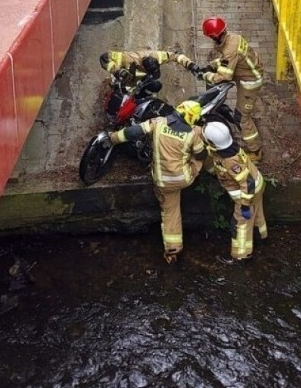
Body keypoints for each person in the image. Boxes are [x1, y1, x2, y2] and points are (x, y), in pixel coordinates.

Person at [109, 100, 205, 263]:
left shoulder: (158, 123)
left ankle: (172, 250)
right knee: (199, 158)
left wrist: (113, 138)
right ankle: (214, 172)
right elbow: (201, 155)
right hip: (184, 179)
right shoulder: (194, 133)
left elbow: (133, 132)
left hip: (162, 181)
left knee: (170, 212)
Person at [199, 16, 264, 158]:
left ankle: (255, 151)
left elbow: (224, 76)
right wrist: (214, 64)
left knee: (241, 117)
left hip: (250, 82)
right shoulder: (234, 38)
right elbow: (230, 60)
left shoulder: (230, 49)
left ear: (214, 36)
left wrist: (206, 75)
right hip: (246, 72)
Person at [203, 121, 267, 264]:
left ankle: (240, 256)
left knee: (240, 225)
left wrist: (244, 205)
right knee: (257, 215)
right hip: (258, 184)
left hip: (248, 192)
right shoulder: (230, 149)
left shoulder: (230, 161)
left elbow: (247, 183)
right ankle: (261, 239)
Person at [100, 48, 172, 84]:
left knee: (157, 86)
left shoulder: (157, 57)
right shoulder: (128, 59)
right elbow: (104, 57)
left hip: (139, 86)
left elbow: (175, 56)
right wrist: (117, 71)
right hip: (123, 83)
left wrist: (183, 62)